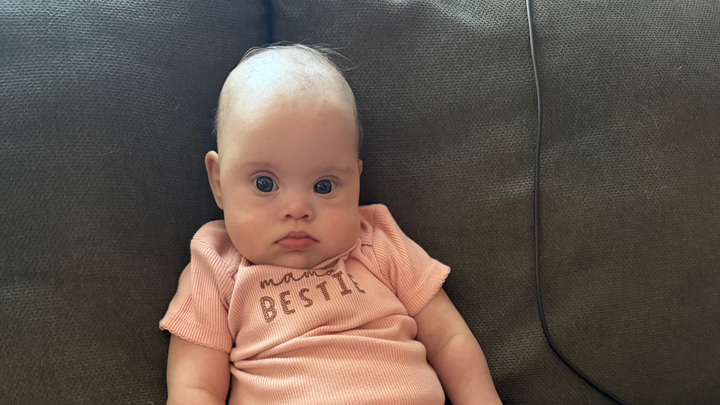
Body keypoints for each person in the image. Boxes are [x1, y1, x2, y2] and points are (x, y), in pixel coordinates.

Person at [160, 42, 502, 405]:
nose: (297, 209)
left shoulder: (378, 240)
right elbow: (195, 388)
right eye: (265, 183)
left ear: (356, 182)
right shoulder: (215, 265)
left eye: (324, 186)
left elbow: (449, 340)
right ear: (218, 182)